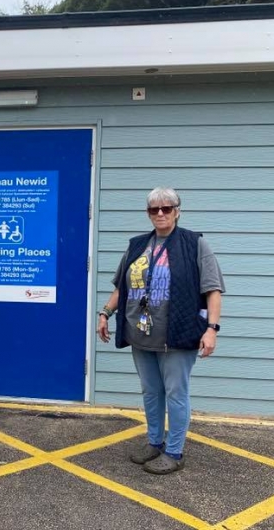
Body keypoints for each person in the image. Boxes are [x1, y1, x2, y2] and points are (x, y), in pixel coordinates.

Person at [96, 187, 224, 475]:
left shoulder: (194, 244)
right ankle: (154, 442)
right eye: (154, 209)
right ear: (148, 214)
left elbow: (213, 290)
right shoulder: (137, 245)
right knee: (151, 392)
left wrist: (211, 329)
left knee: (176, 393)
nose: (161, 213)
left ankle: (175, 451)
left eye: (167, 208)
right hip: (141, 334)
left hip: (177, 335)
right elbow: (122, 287)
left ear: (178, 210)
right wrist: (105, 312)